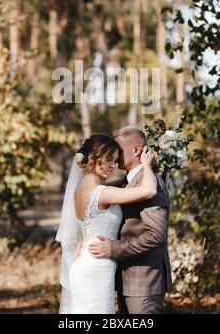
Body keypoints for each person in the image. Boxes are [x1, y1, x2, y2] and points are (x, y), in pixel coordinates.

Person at [55, 133, 156, 314]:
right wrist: (146, 165)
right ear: (93, 158)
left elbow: (89, 223)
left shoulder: (81, 188)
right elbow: (149, 190)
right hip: (96, 271)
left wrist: (83, 240)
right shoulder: (101, 192)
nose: (114, 165)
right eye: (109, 160)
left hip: (87, 261)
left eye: (116, 160)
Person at [88, 126, 173, 314]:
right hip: (127, 280)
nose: (114, 156)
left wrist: (114, 248)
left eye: (117, 151)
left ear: (136, 150)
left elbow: (156, 235)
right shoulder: (125, 181)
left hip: (145, 282)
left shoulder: (151, 183)